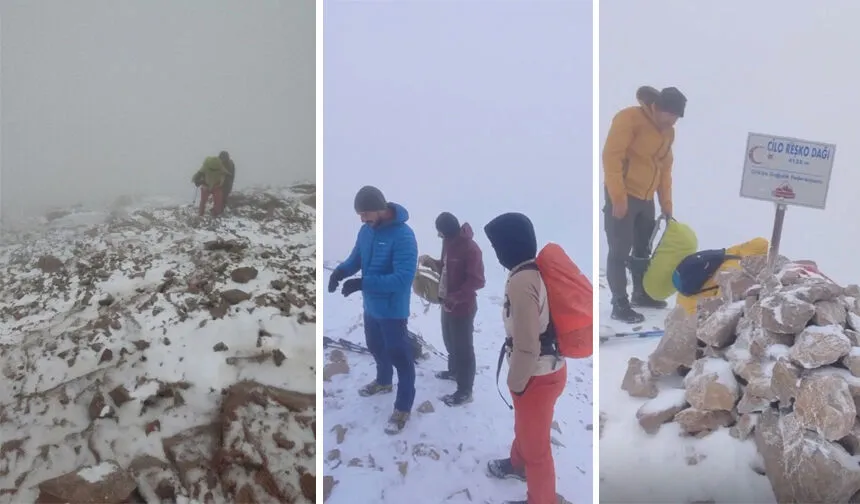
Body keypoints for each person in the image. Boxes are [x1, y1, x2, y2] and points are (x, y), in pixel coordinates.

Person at [483, 212, 568, 504]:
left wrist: (516, 381)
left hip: (536, 374)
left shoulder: (522, 281)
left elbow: (527, 344)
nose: (496, 255)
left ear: (510, 245)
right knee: (528, 428)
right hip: (548, 370)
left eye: (497, 247)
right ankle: (517, 465)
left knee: (537, 448)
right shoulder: (532, 271)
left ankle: (542, 499)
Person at [328, 185, 418, 435]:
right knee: (376, 347)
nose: (362, 218)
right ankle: (383, 381)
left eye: (366, 213)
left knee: (400, 355)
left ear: (380, 209)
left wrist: (363, 283)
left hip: (392, 309)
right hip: (371, 307)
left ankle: (403, 407)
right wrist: (340, 272)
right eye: (360, 214)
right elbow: (356, 258)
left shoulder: (403, 236)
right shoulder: (366, 231)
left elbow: (403, 278)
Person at [602, 85, 687, 323]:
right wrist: (617, 198)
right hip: (623, 194)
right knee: (619, 251)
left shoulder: (668, 132)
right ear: (657, 108)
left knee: (643, 249)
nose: (673, 121)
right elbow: (611, 157)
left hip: (646, 197)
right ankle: (619, 303)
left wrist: (666, 204)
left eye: (677, 118)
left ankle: (640, 294)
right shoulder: (629, 118)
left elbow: (664, 168)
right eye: (670, 115)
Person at [419, 211, 485, 406]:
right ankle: (454, 371)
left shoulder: (471, 249)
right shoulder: (448, 242)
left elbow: (477, 281)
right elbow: (447, 267)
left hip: (463, 307)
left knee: (464, 348)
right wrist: (433, 263)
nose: (438, 236)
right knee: (449, 341)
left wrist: (455, 298)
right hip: (446, 303)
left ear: (448, 231)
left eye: (440, 232)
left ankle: (465, 390)